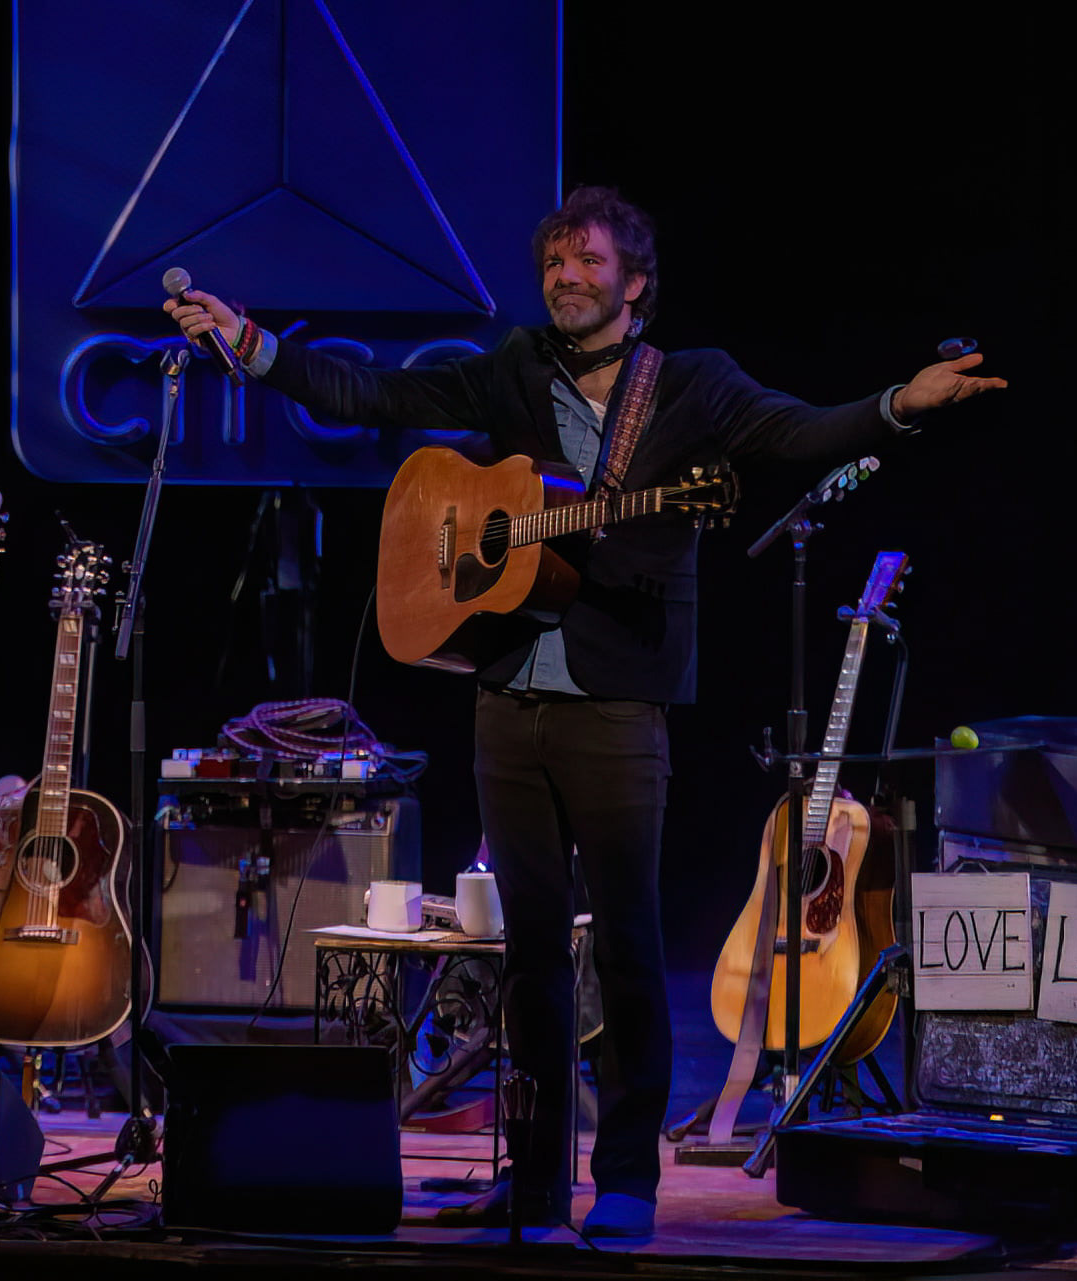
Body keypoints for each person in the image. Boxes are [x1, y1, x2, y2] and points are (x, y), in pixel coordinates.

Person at [165, 186, 1005, 1238]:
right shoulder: (514, 369)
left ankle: (627, 1184)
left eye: (589, 262)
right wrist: (251, 346)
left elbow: (798, 434)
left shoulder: (692, 387)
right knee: (527, 958)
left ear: (636, 283)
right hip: (507, 697)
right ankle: (530, 1183)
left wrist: (899, 404)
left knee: (628, 949)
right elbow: (372, 396)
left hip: (618, 700)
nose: (566, 277)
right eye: (556, 262)